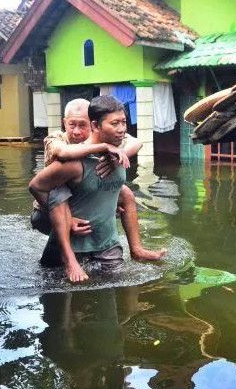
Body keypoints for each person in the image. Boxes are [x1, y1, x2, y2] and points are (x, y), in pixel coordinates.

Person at [29, 96, 162, 282]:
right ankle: (69, 259)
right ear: (96, 125)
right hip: (46, 209)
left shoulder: (116, 145)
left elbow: (137, 142)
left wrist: (118, 156)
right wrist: (105, 146)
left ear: (90, 125)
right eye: (71, 125)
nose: (76, 131)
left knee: (125, 192)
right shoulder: (60, 143)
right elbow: (43, 178)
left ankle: (137, 249)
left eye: (123, 123)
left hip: (99, 227)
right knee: (58, 194)